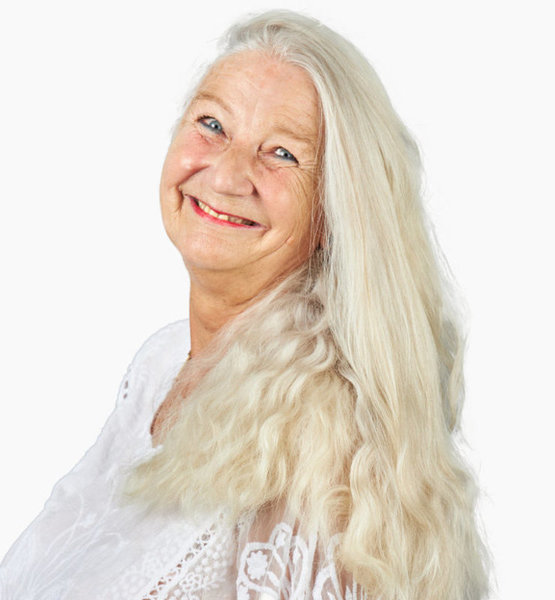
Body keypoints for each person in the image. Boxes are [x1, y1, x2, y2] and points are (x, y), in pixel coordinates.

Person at [0, 9, 491, 599]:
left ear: (333, 214)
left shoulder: (325, 447)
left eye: (281, 153)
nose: (227, 175)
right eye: (212, 124)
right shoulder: (160, 363)